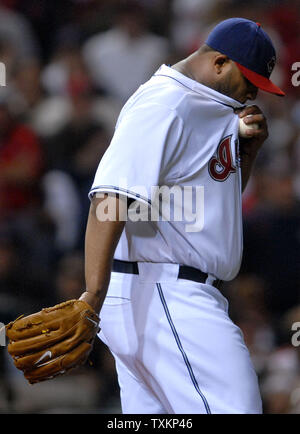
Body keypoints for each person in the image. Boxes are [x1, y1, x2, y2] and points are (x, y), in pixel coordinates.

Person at [79, 18, 285, 414]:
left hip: (166, 288)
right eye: (250, 79)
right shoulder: (166, 104)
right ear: (220, 62)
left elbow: (207, 208)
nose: (254, 92)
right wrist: (92, 294)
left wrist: (249, 154)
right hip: (165, 291)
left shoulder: (206, 106)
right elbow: (108, 198)